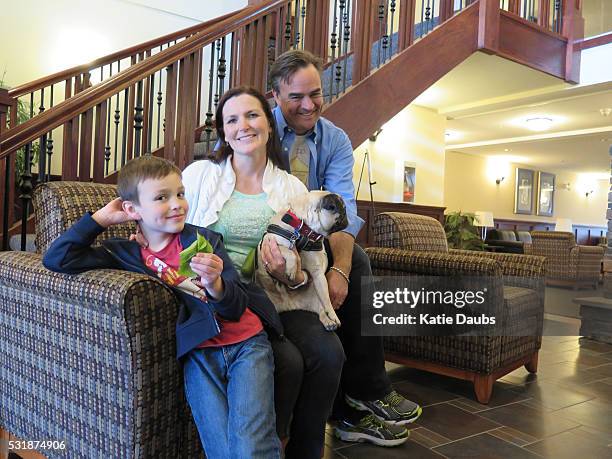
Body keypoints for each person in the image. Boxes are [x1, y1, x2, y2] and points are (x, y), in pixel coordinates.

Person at [42, 155, 282, 459]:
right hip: (199, 351)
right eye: (161, 197)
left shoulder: (205, 239)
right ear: (131, 209)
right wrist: (100, 219)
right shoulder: (126, 253)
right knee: (220, 449)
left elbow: (235, 307)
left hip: (247, 344)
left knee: (251, 445)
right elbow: (57, 259)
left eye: (180, 193)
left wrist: (215, 283)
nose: (177, 204)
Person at [266, 49, 422, 445]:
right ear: (275, 96)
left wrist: (339, 270)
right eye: (295, 97)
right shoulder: (259, 130)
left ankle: (366, 391)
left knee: (359, 263)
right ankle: (352, 405)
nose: (308, 105)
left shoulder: (334, 138)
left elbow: (343, 211)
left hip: (316, 233)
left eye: (315, 94)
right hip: (273, 236)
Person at [182, 86, 345, 459]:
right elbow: (170, 225)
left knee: (329, 352)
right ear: (223, 131)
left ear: (269, 124)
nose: (243, 126)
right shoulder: (200, 175)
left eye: (252, 115)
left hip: (280, 295)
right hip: (225, 296)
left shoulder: (292, 187)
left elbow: (312, 257)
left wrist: (295, 277)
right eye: (232, 119)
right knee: (286, 360)